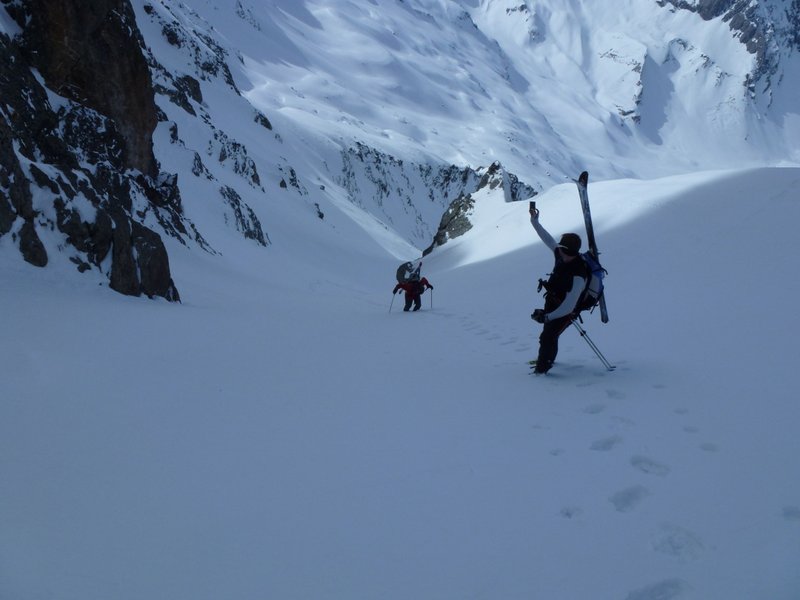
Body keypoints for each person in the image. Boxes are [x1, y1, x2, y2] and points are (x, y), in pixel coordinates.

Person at [529, 206, 588, 374]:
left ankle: (542, 370)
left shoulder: (579, 274)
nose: (561, 253)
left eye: (565, 252)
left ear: (574, 253)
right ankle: (546, 359)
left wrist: (548, 317)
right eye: (561, 249)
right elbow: (548, 239)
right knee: (549, 335)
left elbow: (569, 306)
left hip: (567, 310)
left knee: (547, 336)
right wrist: (534, 221)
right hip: (553, 301)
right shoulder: (561, 254)